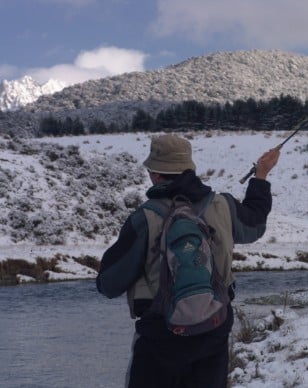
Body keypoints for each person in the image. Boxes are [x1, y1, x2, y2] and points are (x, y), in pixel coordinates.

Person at [96, 134, 280, 388]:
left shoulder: (144, 218)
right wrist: (261, 176)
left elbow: (109, 284)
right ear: (189, 168)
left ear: (156, 175)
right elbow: (255, 224)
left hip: (160, 338)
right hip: (213, 332)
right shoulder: (223, 206)